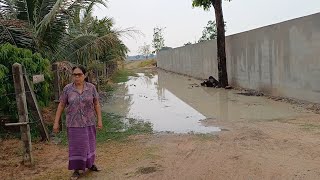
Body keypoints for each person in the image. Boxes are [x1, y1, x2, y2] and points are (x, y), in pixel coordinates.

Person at [53, 65, 103, 179]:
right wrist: (56, 122)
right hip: (73, 124)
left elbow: (96, 104)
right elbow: (61, 105)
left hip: (89, 122)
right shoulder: (67, 89)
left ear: (84, 75)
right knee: (76, 147)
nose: (77, 77)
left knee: (89, 144)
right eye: (74, 75)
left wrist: (99, 120)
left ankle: (91, 164)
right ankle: (76, 170)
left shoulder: (91, 88)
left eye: (79, 74)